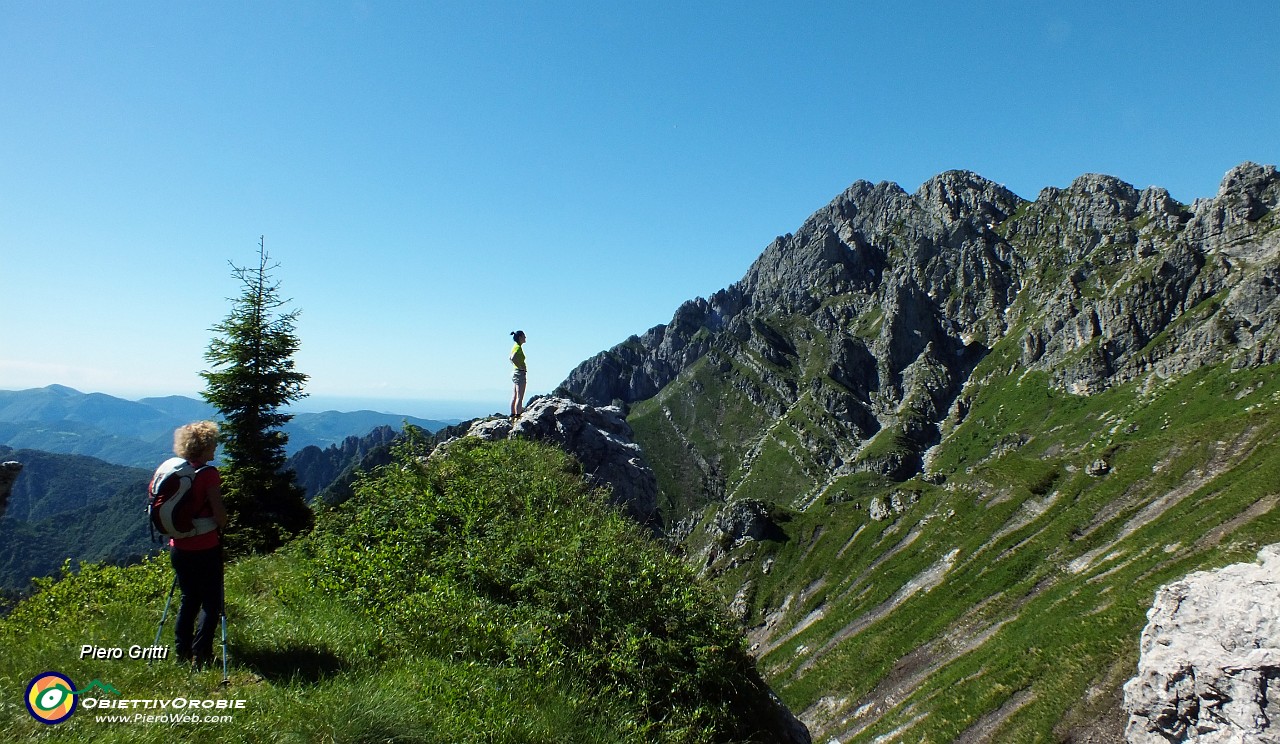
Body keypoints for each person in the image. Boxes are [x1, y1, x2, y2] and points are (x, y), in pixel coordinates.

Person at [162, 421, 227, 669]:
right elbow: (219, 514)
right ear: (204, 446)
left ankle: (182, 652)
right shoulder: (208, 474)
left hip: (178, 546)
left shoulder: (177, 471)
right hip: (205, 546)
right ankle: (202, 655)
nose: (216, 448)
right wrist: (223, 523)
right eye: (213, 444)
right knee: (211, 602)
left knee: (188, 599)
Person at [510, 330, 528, 418]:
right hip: (519, 373)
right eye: (524, 336)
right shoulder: (518, 347)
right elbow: (513, 358)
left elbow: (510, 358)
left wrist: (516, 365)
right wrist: (520, 367)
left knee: (515, 395)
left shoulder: (515, 346)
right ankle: (518, 415)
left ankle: (513, 414)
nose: (525, 338)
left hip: (515, 373)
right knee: (520, 396)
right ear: (520, 337)